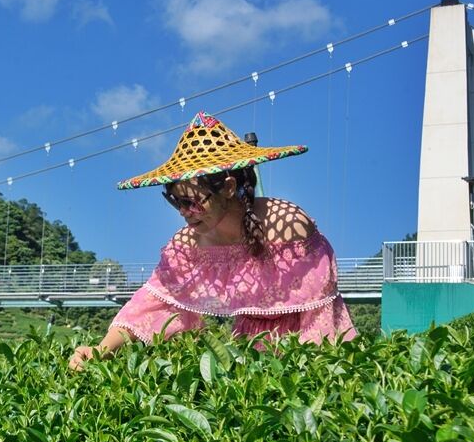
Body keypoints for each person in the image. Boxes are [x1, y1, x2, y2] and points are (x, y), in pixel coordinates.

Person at [69, 112, 356, 371]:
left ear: (229, 188)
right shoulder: (186, 245)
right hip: (248, 360)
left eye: (191, 202)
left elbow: (318, 316)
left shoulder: (288, 226)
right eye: (174, 201)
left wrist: (311, 371)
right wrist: (100, 349)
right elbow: (151, 305)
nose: (183, 212)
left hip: (309, 356)